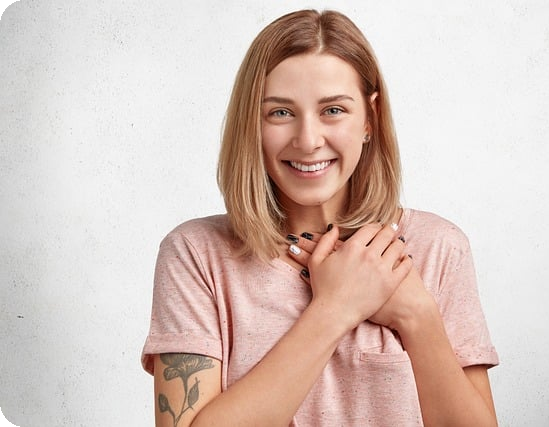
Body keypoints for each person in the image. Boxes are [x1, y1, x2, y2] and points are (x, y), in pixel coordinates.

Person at [141, 8, 499, 427]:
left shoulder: (438, 248)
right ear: (250, 123)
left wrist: (417, 317)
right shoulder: (195, 255)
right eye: (280, 112)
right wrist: (335, 308)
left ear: (370, 118)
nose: (308, 140)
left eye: (333, 110)